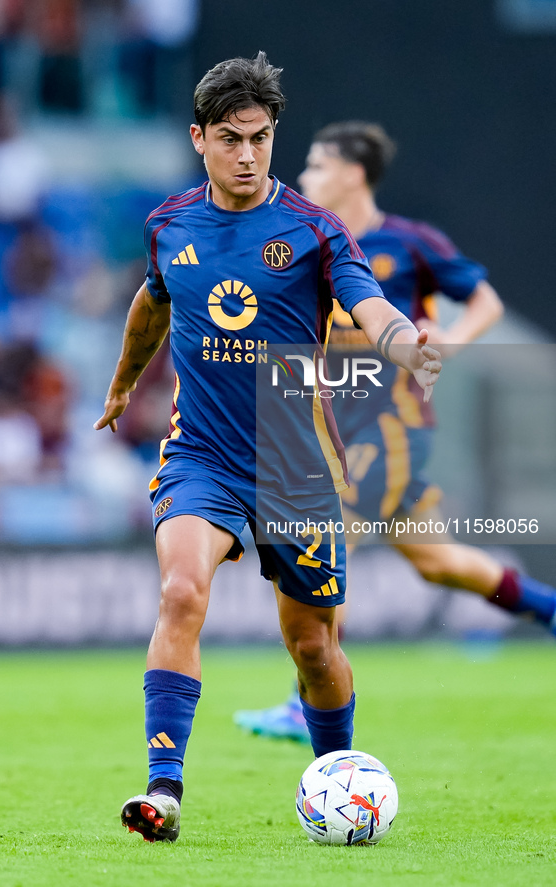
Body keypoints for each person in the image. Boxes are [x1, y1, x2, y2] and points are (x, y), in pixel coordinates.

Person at [94, 58, 441, 842]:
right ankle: (162, 789)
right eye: (230, 139)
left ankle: (339, 778)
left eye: (260, 138)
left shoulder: (315, 231)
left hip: (296, 464)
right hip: (201, 456)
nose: (248, 154)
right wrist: (120, 387)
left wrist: (403, 341)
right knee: (181, 592)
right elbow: (151, 307)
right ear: (199, 139)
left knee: (314, 648)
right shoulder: (170, 226)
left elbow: (367, 301)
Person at [233, 120, 556, 744]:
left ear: (352, 174)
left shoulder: (409, 244)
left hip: (391, 427)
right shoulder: (307, 241)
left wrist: (452, 347)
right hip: (336, 428)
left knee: (331, 542)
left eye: (316, 167)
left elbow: (483, 298)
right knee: (439, 563)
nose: (304, 178)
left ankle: (308, 704)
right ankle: (550, 608)